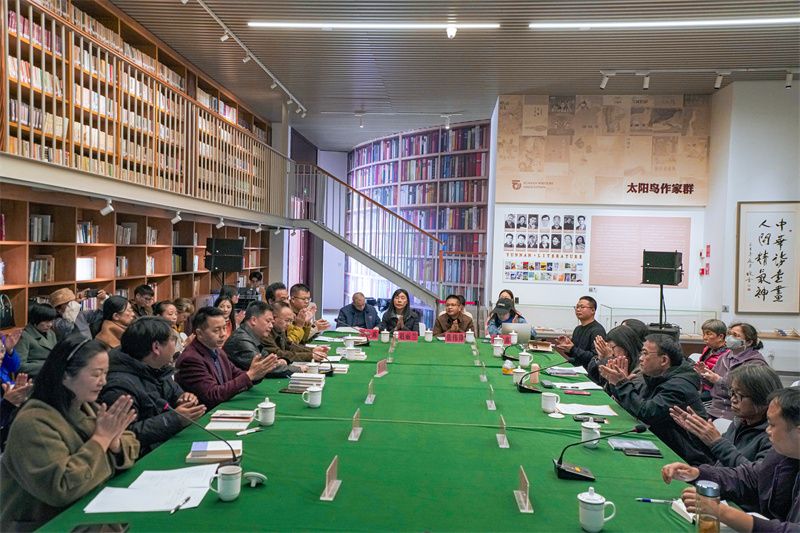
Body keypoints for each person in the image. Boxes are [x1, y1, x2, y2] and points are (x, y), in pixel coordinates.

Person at [0, 336, 139, 531]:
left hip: (89, 512)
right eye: (96, 374)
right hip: (46, 524)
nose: (103, 382)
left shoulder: (85, 405)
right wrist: (101, 440)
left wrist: (115, 444)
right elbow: (61, 487)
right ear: (65, 375)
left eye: (106, 373)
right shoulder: (32, 423)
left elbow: (130, 442)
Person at [662, 388, 800, 532]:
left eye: (772, 425)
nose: (767, 430)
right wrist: (698, 474)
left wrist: (721, 512)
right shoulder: (781, 453)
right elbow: (752, 478)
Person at [600, 334, 713, 465]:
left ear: (664, 360)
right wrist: (616, 382)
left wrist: (622, 384)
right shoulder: (656, 376)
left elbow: (647, 413)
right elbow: (635, 404)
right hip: (664, 443)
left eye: (645, 353)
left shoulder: (679, 386)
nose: (640, 358)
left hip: (686, 458)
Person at [100, 317, 207, 456]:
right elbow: (123, 436)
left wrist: (185, 398)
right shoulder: (120, 386)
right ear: (156, 347)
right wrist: (174, 419)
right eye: (173, 340)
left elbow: (174, 394)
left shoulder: (157, 368)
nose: (176, 346)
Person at [670, 365, 782, 468]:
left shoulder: (774, 435)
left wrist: (717, 442)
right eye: (732, 392)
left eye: (739, 395)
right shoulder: (740, 421)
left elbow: (755, 475)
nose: (732, 399)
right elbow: (717, 456)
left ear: (762, 398)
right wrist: (698, 433)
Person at [175, 307, 279, 409]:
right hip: (204, 414)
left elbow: (237, 375)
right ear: (199, 333)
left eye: (224, 328)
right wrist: (250, 375)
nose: (223, 334)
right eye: (216, 330)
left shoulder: (218, 351)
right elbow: (213, 395)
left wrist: (257, 373)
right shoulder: (190, 359)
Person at [702, 322, 768, 420]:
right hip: (716, 408)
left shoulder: (756, 364)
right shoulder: (724, 357)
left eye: (735, 335)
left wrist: (719, 380)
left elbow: (746, 393)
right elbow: (712, 385)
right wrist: (704, 375)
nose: (729, 338)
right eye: (729, 334)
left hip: (738, 413)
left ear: (748, 342)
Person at [224, 301, 294, 376]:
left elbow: (266, 357)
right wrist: (298, 369)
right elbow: (263, 366)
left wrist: (278, 361)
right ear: (253, 320)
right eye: (268, 321)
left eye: (272, 322)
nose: (271, 326)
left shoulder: (253, 336)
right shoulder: (241, 340)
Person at [554, 296, 607, 371]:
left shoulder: (597, 330)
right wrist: (567, 347)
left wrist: (572, 349)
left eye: (582, 307)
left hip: (588, 372)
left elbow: (596, 357)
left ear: (592, 310)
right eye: (577, 307)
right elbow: (575, 353)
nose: (578, 309)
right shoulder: (577, 329)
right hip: (575, 369)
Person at [591, 324, 642, 389]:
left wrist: (623, 382)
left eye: (611, 347)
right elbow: (596, 379)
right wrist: (600, 357)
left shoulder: (640, 369)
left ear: (625, 346)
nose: (609, 351)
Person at [16, 302, 58, 377]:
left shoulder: (51, 334)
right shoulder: (25, 336)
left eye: (51, 321)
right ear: (36, 319)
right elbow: (19, 366)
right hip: (35, 376)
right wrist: (47, 367)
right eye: (46, 321)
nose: (50, 325)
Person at [695, 319, 730, 401]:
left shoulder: (728, 354)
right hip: (702, 385)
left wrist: (705, 374)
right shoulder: (707, 349)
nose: (704, 338)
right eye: (704, 334)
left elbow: (724, 382)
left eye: (709, 334)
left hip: (716, 391)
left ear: (720, 337)